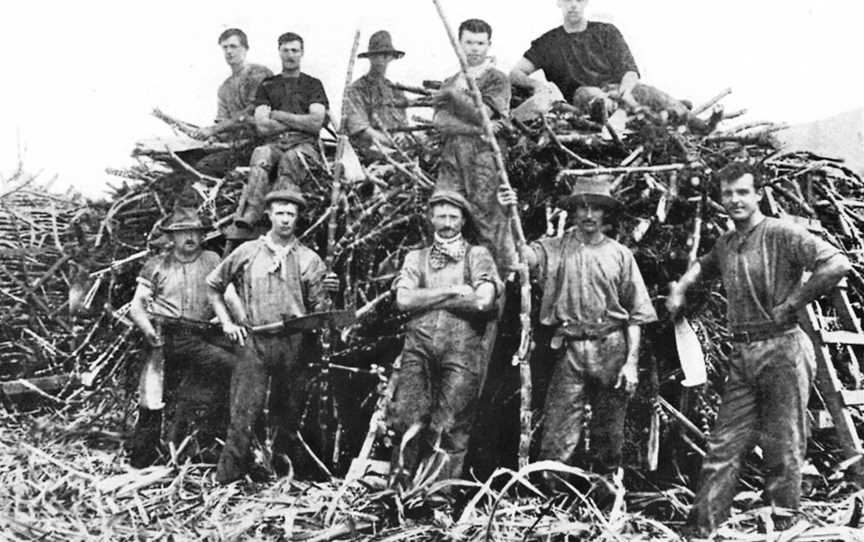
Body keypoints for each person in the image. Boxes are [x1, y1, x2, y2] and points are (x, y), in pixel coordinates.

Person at [666, 162, 852, 535]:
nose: (734, 200)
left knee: (783, 443)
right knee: (723, 445)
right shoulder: (727, 242)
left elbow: (837, 263)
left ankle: (784, 522)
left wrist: (793, 301)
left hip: (783, 347)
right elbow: (702, 267)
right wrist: (680, 288)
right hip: (743, 353)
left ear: (757, 194)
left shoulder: (781, 232)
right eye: (727, 194)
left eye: (742, 192)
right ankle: (701, 528)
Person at [498, 176, 657, 475]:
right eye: (581, 208)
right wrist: (509, 215)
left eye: (595, 208)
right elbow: (518, 258)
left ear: (605, 214)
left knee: (609, 434)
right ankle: (554, 504)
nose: (587, 215)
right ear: (572, 212)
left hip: (612, 346)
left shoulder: (619, 255)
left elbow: (637, 314)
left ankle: (604, 502)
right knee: (559, 434)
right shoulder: (554, 249)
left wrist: (631, 364)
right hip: (570, 349)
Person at [207, 188, 339, 483]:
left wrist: (330, 291)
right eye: (279, 213)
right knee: (243, 412)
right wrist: (228, 323)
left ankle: (282, 477)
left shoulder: (309, 259)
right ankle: (227, 480)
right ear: (268, 215)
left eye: (291, 214)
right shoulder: (248, 251)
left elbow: (320, 311)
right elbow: (214, 285)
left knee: (288, 412)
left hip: (294, 342)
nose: (285, 220)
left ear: (298, 219)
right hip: (254, 340)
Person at [389, 190, 503, 485]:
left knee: (450, 424)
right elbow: (403, 300)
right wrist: (452, 291)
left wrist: (425, 298)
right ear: (431, 218)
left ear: (464, 221)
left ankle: (437, 498)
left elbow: (483, 301)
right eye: (441, 216)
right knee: (407, 418)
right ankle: (398, 494)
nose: (447, 222)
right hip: (418, 347)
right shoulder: (416, 257)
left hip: (461, 348)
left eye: (454, 217)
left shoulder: (477, 255)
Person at [127, 206, 239, 467]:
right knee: (152, 394)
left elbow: (229, 294)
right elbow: (136, 307)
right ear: (171, 237)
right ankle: (143, 458)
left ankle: (206, 444)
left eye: (195, 232)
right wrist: (150, 332)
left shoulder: (212, 260)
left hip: (203, 333)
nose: (189, 238)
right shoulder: (157, 265)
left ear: (202, 236)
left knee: (232, 368)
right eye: (182, 233)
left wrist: (235, 321)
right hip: (169, 334)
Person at [509, 0, 714, 130]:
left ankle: (698, 124)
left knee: (648, 92)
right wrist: (536, 85)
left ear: (586, 2)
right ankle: (631, 115)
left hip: (619, 93)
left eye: (579, 0)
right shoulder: (548, 42)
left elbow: (630, 72)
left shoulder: (606, 32)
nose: (573, 5)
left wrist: (625, 92)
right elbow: (516, 72)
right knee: (590, 94)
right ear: (558, 3)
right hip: (581, 99)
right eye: (568, 0)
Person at [228, 32, 329, 242]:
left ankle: (285, 216)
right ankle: (253, 211)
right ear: (279, 52)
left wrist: (280, 115)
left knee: (292, 159)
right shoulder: (268, 85)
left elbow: (316, 122)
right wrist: (299, 120)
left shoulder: (313, 85)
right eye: (286, 50)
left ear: (302, 53)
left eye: (295, 50)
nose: (290, 55)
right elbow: (262, 126)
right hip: (274, 143)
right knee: (261, 152)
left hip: (304, 144)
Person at [433, 18, 517, 273]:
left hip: (484, 158)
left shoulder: (496, 79)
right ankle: (448, 277)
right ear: (459, 44)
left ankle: (498, 283)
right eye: (469, 42)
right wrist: (476, 128)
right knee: (445, 209)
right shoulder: (450, 81)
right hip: (452, 156)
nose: (474, 48)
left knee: (488, 219)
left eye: (480, 43)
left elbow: (486, 114)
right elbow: (440, 121)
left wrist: (455, 98)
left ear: (489, 45)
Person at [192, 28, 273, 143]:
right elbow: (222, 122)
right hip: (236, 143)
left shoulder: (259, 74)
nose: (229, 51)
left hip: (263, 140)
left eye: (233, 46)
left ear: (245, 49)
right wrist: (214, 137)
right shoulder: (224, 88)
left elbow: (251, 111)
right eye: (225, 47)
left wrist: (213, 130)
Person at [345, 30, 409, 154]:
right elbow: (361, 130)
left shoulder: (396, 91)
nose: (383, 59)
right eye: (378, 55)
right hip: (367, 150)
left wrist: (401, 135)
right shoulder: (357, 90)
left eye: (387, 55)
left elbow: (404, 125)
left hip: (397, 149)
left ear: (391, 57)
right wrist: (388, 141)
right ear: (370, 57)